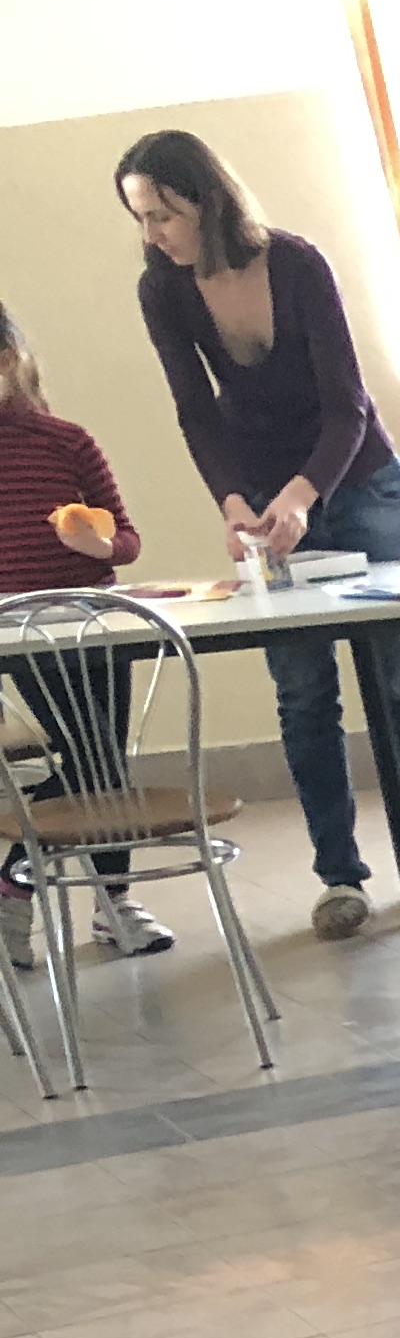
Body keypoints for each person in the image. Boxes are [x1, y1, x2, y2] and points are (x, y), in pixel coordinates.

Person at [120, 128, 400, 942]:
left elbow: (348, 402)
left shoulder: (296, 263)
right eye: (139, 219)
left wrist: (306, 493)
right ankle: (338, 876)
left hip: (360, 481)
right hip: (265, 493)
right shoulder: (161, 288)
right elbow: (195, 409)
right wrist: (232, 501)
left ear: (205, 202)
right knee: (303, 690)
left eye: (162, 215)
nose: (152, 234)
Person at [0, 298, 161, 973]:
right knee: (93, 758)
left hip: (95, 623)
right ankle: (27, 887)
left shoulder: (67, 442)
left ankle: (103, 899)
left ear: (10, 363)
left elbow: (127, 540)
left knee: (104, 759)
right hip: (21, 633)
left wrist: (99, 545)